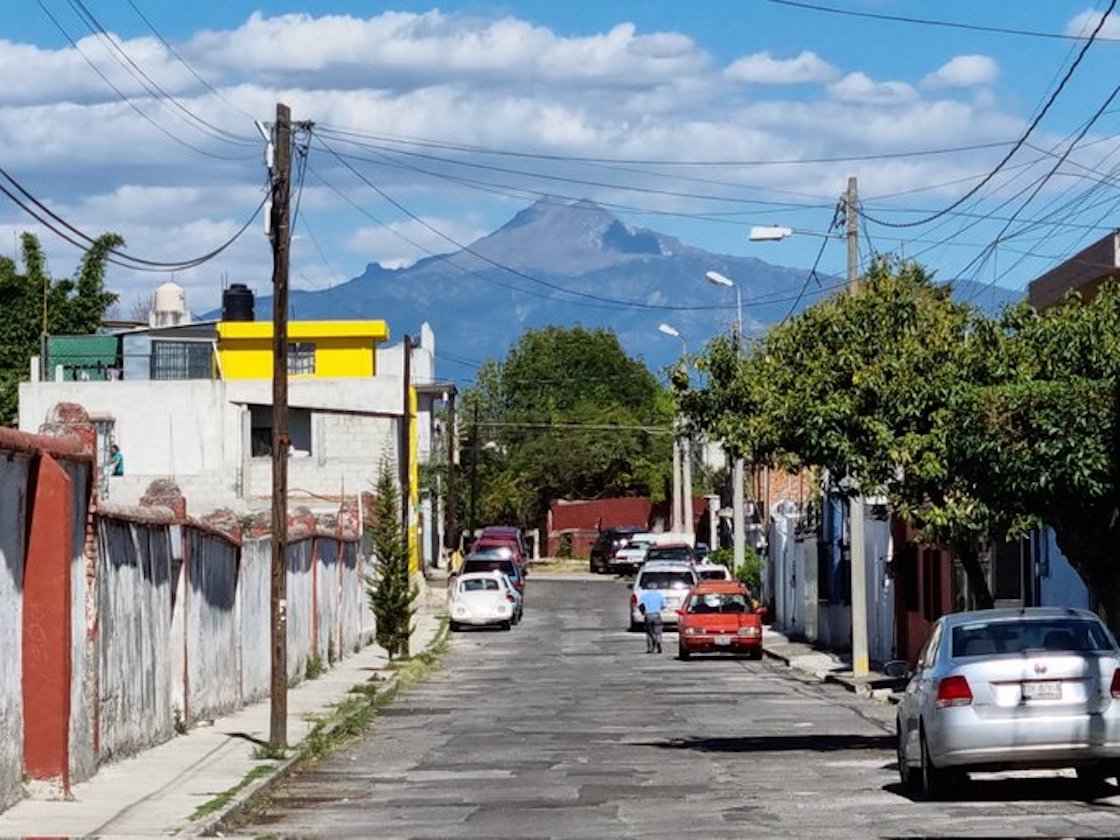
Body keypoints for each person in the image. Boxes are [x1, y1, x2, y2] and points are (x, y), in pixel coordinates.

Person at [638, 586, 666, 654]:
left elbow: (640, 605)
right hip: (657, 614)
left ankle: (650, 648)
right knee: (658, 631)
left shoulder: (644, 596)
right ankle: (658, 641)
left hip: (648, 615)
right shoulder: (659, 595)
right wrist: (659, 609)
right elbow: (664, 605)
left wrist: (643, 612)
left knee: (649, 632)